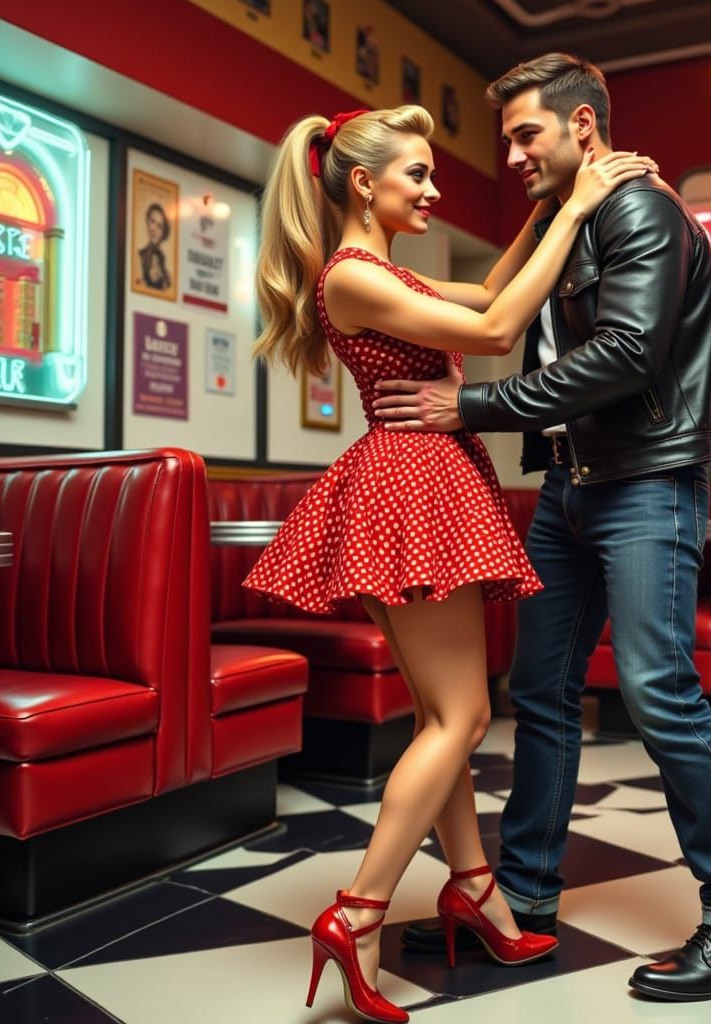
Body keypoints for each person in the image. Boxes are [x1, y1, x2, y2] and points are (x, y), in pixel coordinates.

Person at [377, 54, 711, 1003]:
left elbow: (631, 354)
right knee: (543, 691)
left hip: (647, 480)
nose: (513, 154)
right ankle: (522, 894)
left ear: (584, 128)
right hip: (570, 483)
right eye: (507, 138)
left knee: (656, 687)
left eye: (527, 135)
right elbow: (501, 305)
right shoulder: (575, 219)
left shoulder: (639, 211)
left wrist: (469, 409)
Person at [245, 104, 653, 1023]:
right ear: (362, 182)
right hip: (412, 487)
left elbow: (487, 290)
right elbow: (505, 327)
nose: (433, 189)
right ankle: (358, 912)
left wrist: (552, 210)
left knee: (440, 712)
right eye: (417, 175)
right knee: (466, 716)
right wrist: (584, 202)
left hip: (412, 481)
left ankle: (474, 887)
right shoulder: (352, 278)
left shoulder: (381, 268)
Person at [138, 202, 172, 291]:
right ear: (147, 222)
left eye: (159, 226)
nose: (154, 229)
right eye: (152, 221)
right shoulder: (140, 256)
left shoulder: (163, 260)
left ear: (163, 232)